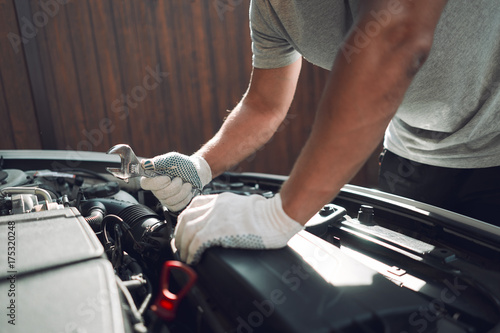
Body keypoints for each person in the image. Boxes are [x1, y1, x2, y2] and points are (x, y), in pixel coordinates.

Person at [141, 0, 500, 264]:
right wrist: (200, 166)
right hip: (411, 156)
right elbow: (265, 104)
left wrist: (281, 214)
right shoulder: (273, 7)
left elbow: (397, 37)